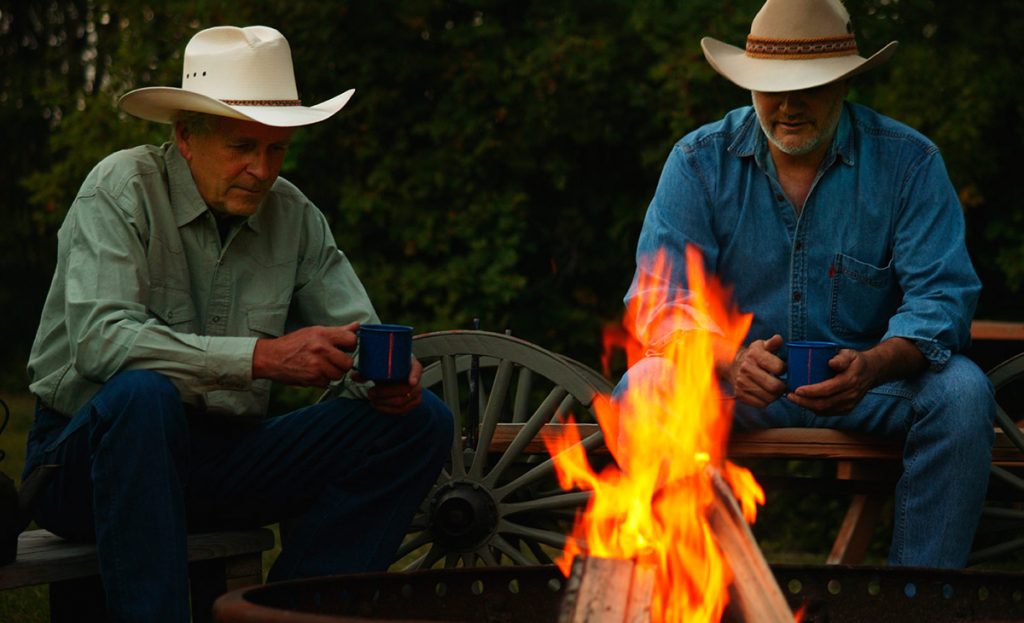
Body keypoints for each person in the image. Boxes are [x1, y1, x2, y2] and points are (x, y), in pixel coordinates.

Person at [21, 25, 453, 621]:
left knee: (422, 423)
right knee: (142, 396)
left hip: (221, 460)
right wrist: (262, 357)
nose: (262, 169)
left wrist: (385, 379)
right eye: (242, 147)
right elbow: (100, 342)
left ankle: (288, 611)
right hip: (87, 463)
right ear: (186, 137)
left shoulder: (295, 215)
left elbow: (356, 332)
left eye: (276, 148)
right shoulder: (119, 189)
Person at [617, 0, 995, 568]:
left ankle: (920, 598)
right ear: (749, 84)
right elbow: (660, 300)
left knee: (963, 392)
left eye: (809, 87)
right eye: (771, 87)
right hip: (732, 389)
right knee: (647, 387)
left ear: (844, 83)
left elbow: (942, 298)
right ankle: (676, 586)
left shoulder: (909, 164)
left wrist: (874, 364)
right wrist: (728, 358)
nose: (788, 106)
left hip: (868, 389)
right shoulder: (697, 162)